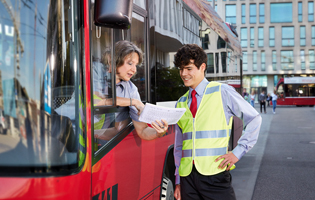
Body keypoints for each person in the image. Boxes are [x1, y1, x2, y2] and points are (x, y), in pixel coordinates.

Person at [173, 44, 262, 200]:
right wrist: (178, 180)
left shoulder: (222, 91)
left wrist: (238, 152)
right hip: (187, 177)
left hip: (215, 174)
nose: (183, 74)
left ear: (202, 67)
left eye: (188, 68)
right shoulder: (181, 102)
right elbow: (179, 145)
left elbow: (254, 118)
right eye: (181, 69)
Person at [95, 40, 168, 140]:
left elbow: (142, 131)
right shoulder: (96, 73)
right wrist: (132, 102)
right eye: (130, 63)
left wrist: (158, 133)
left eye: (136, 65)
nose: (134, 70)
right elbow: (95, 103)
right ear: (114, 60)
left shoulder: (131, 89)